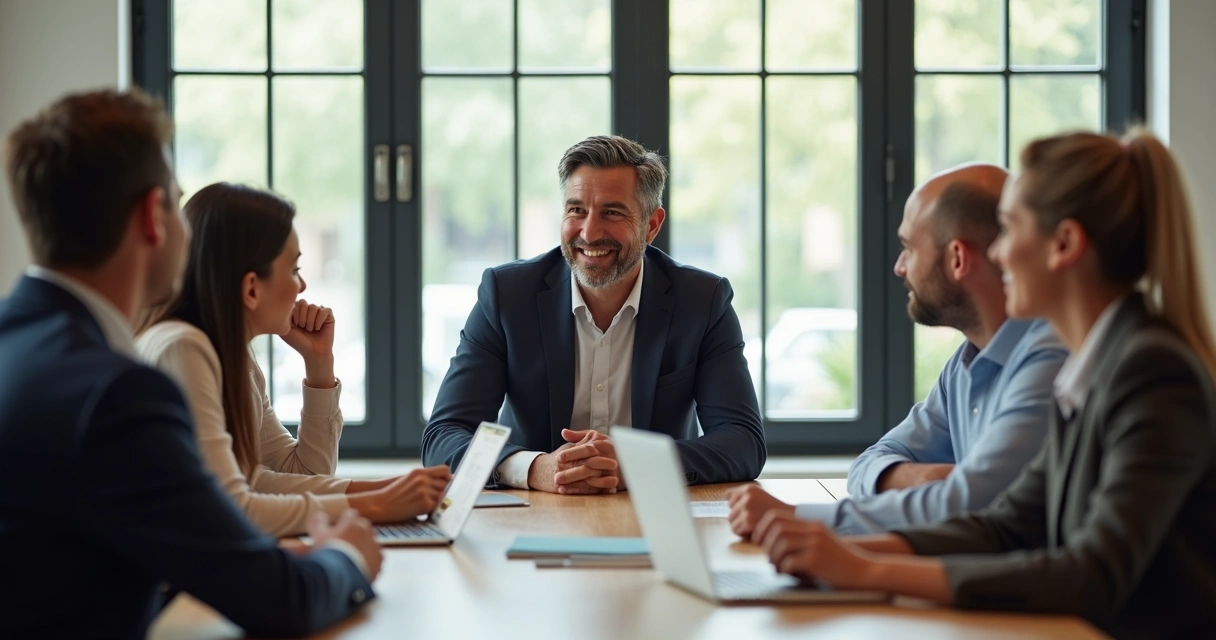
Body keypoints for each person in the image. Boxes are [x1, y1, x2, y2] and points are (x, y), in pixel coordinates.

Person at [752, 129, 1216, 639]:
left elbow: (1091, 573)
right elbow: (1006, 526)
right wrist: (838, 551)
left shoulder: (1152, 370)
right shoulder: (1097, 364)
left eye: (1009, 231)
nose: (997, 254)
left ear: (1064, 245)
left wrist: (866, 569)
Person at [0, 89, 380, 639]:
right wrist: (348, 556)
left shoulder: (20, 342)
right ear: (153, 218)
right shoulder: (117, 395)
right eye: (176, 204)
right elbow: (275, 599)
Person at [728, 164, 1066, 535]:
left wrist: (796, 518)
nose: (899, 267)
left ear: (957, 259)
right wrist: (925, 476)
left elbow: (972, 503)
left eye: (907, 248)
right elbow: (869, 463)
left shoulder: (1049, 359)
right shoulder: (966, 363)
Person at [422, 135, 765, 493]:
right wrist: (534, 468)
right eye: (576, 210)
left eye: (612, 212)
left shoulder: (702, 301)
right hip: (533, 514)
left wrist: (634, 464)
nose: (589, 232)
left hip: (655, 517)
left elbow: (744, 443)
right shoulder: (507, 296)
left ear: (652, 224)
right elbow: (443, 437)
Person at [138, 182, 452, 537]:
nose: (301, 287)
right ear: (252, 288)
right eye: (294, 270)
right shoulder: (183, 348)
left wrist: (319, 366)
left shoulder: (233, 356)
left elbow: (289, 476)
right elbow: (231, 508)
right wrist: (377, 504)